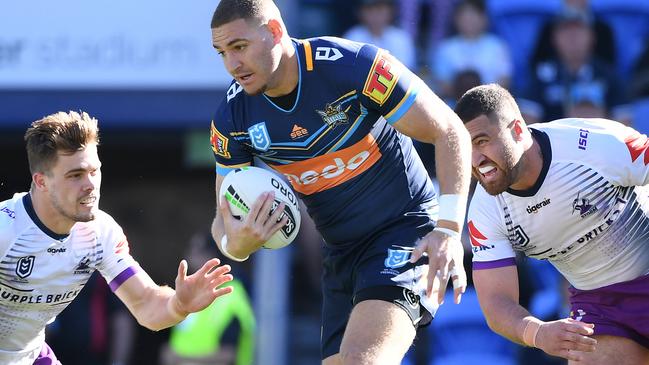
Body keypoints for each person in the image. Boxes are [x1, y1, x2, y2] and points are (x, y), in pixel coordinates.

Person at [208, 0, 472, 364]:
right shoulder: (231, 119)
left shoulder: (354, 67)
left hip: (405, 231)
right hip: (340, 253)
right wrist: (234, 245)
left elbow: (449, 130)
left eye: (239, 47)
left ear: (274, 31)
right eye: (222, 52)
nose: (232, 64)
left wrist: (448, 228)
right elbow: (223, 220)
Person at [0, 111, 234, 365]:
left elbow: (146, 305)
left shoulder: (100, 233)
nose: (90, 185)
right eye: (75, 175)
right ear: (41, 182)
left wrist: (179, 304)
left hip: (29, 356)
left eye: (94, 171)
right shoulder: (6, 229)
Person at [454, 83, 649, 364]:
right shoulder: (485, 210)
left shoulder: (593, 144)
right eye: (464, 146)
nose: (476, 160)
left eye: (482, 141)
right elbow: (497, 300)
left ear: (518, 130)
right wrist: (537, 332)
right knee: (584, 356)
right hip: (599, 306)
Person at [343, 0, 416, 70]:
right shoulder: (352, 36)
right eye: (370, 10)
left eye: (380, 9)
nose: (375, 15)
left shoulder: (401, 38)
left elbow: (405, 72)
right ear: (360, 12)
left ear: (390, 11)